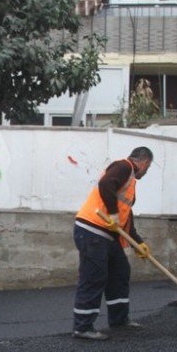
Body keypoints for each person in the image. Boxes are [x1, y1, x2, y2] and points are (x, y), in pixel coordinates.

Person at [71, 146, 154, 340]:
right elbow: (105, 184)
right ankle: (82, 327)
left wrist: (138, 243)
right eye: (148, 168)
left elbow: (126, 216)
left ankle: (119, 319)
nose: (146, 172)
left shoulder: (130, 181)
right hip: (92, 230)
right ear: (144, 163)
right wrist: (113, 213)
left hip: (107, 235)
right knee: (94, 277)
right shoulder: (123, 167)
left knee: (120, 271)